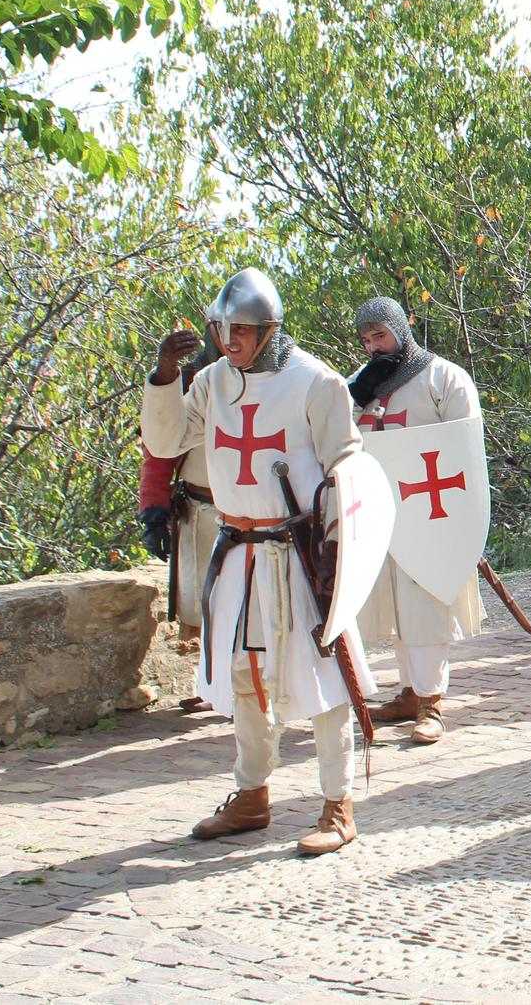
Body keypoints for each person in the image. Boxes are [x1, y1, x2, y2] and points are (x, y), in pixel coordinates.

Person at [141, 268, 375, 856]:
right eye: (222, 329)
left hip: (299, 557)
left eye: (241, 330)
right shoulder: (212, 382)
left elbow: (348, 468)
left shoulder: (316, 382)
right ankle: (251, 795)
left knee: (323, 681)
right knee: (247, 681)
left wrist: (339, 558)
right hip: (239, 555)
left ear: (270, 329)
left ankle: (337, 803)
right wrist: (166, 377)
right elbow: (166, 444)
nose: (229, 341)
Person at [347, 297, 486, 747]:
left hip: (432, 513)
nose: (373, 347)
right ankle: (409, 692)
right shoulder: (361, 385)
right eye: (367, 340)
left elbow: (463, 448)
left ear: (402, 329)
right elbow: (341, 442)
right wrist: (357, 400)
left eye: (380, 336)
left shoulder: (444, 378)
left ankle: (432, 703)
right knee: (395, 607)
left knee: (425, 607)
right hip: (379, 513)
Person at [137, 331, 222, 711]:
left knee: (250, 605)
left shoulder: (277, 381)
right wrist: (153, 515)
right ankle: (214, 686)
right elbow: (158, 456)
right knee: (208, 607)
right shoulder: (189, 383)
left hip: (258, 513)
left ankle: (252, 687)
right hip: (201, 513)